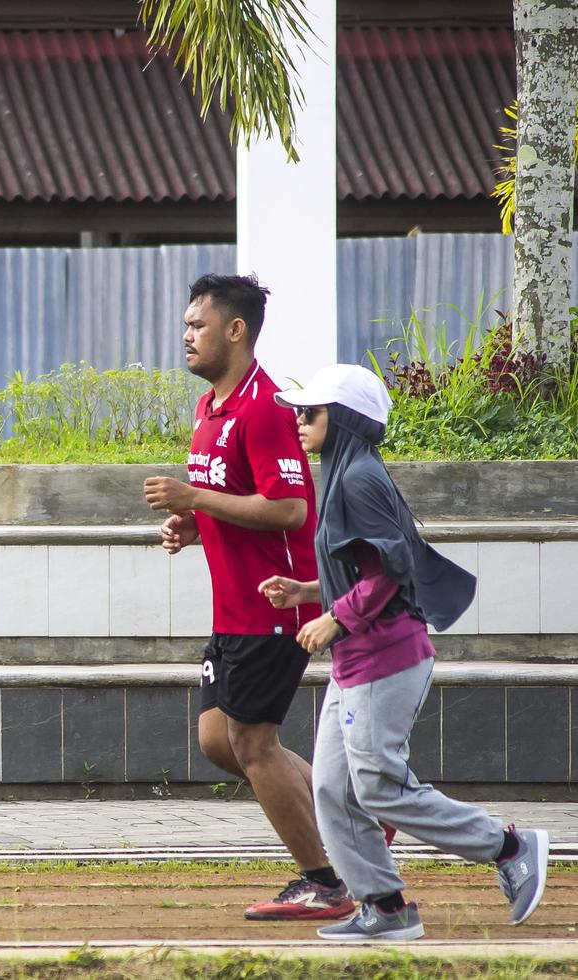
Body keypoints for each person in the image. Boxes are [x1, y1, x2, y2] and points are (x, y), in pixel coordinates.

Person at [262, 363, 549, 941]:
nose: (298, 421)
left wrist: (334, 618)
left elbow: (392, 571)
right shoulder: (343, 473)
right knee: (333, 789)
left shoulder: (357, 479)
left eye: (310, 412)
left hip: (386, 658)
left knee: (378, 786)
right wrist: (308, 593)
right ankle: (385, 907)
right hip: (356, 661)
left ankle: (509, 846)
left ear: (341, 420)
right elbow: (361, 568)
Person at [145, 274, 352, 921]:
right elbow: (232, 499)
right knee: (217, 742)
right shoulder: (210, 408)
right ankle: (349, 825)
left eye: (196, 326)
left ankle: (324, 879)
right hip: (230, 609)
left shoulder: (262, 407)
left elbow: (291, 509)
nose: (185, 336)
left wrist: (194, 499)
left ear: (234, 330)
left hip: (274, 607)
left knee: (252, 744)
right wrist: (191, 522)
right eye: (184, 326)